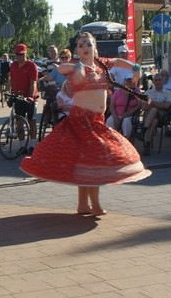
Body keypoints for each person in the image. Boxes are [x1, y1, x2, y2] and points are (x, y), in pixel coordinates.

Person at [20, 32, 151, 216]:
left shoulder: (101, 63)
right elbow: (61, 69)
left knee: (87, 163)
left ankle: (84, 205)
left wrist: (135, 66)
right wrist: (76, 67)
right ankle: (93, 205)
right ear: (76, 49)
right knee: (92, 161)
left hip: (97, 120)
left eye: (88, 44)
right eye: (81, 45)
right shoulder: (75, 64)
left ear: (94, 46)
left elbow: (120, 62)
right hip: (81, 121)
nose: (85, 48)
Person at [138, 72, 171, 155]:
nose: (158, 82)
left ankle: (144, 131)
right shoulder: (147, 93)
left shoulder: (169, 93)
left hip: (163, 116)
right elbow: (144, 107)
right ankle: (147, 144)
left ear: (163, 81)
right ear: (153, 82)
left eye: (160, 80)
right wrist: (159, 104)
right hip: (148, 115)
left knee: (154, 110)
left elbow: (167, 106)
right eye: (156, 80)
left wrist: (152, 102)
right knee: (154, 121)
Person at [9, 43, 39, 140]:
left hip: (30, 98)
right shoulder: (13, 66)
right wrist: (11, 93)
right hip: (18, 97)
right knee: (19, 123)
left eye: (21, 54)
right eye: (17, 54)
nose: (19, 56)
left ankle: (32, 145)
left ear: (26, 54)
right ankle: (22, 145)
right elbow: (12, 80)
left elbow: (33, 83)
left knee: (32, 121)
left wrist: (30, 97)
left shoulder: (32, 66)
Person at [106, 74, 143, 139]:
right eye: (127, 81)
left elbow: (139, 105)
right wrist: (115, 117)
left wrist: (130, 112)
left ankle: (126, 139)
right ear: (124, 81)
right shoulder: (118, 92)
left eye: (130, 81)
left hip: (130, 115)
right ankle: (111, 140)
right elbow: (112, 106)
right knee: (109, 121)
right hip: (116, 114)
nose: (129, 82)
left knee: (126, 122)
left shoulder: (137, 91)